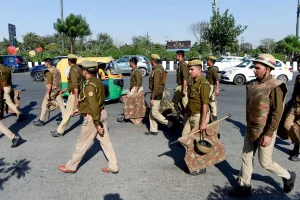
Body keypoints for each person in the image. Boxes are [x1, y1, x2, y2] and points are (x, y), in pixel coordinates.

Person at [229, 54, 296, 198]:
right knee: (246, 157)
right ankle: (244, 186)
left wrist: (269, 133)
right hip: (250, 128)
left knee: (265, 162)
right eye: (254, 67)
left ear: (268, 69)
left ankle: (288, 175)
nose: (254, 70)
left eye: (258, 68)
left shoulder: (275, 86)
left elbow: (277, 113)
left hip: (265, 130)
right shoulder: (251, 84)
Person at [57, 60, 118, 174]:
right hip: (101, 112)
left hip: (93, 117)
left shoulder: (89, 85)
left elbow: (93, 106)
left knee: (82, 143)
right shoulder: (98, 81)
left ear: (85, 71)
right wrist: (79, 110)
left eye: (82, 70)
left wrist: (97, 123)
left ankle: (71, 166)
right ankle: (113, 166)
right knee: (106, 142)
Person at [182, 59, 210, 175]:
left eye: (192, 69)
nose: (189, 71)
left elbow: (205, 104)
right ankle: (192, 160)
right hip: (191, 115)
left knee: (197, 143)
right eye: (189, 69)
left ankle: (200, 166)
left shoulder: (204, 83)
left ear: (199, 70)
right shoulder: (193, 82)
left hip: (199, 116)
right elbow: (191, 100)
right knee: (184, 138)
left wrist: (203, 122)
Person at [51, 54, 83, 137]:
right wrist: (66, 89)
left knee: (67, 112)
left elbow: (75, 85)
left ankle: (60, 131)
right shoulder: (78, 68)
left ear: (69, 61)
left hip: (74, 94)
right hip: (75, 92)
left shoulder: (73, 70)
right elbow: (74, 83)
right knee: (69, 112)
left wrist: (76, 98)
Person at [145, 54, 173, 135]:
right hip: (159, 92)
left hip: (157, 93)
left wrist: (153, 97)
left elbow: (156, 85)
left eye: (151, 59)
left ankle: (168, 123)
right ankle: (153, 130)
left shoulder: (157, 70)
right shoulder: (160, 68)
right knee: (152, 112)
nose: (150, 61)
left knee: (154, 112)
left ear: (153, 60)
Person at [33, 58, 65, 126]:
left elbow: (49, 83)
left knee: (44, 104)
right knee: (61, 104)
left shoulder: (48, 71)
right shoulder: (56, 69)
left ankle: (41, 120)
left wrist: (47, 93)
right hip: (58, 89)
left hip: (52, 90)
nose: (44, 64)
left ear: (47, 63)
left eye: (45, 63)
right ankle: (65, 118)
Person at [117, 57, 143, 123]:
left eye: (129, 62)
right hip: (133, 88)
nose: (129, 63)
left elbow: (138, 81)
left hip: (135, 88)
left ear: (132, 62)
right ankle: (127, 116)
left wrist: (135, 91)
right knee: (129, 102)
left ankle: (126, 117)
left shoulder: (136, 71)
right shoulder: (134, 70)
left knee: (128, 103)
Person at [284, 64, 300, 161]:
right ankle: (297, 145)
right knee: (287, 125)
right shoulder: (298, 77)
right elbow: (295, 92)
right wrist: (290, 103)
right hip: (295, 105)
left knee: (297, 128)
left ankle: (298, 152)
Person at [0, 57, 23, 121]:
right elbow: (10, 80)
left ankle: (18, 112)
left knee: (7, 102)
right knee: (8, 102)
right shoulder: (7, 69)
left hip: (2, 88)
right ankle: (18, 112)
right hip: (8, 87)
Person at [172, 50, 189, 116]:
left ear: (180, 56)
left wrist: (183, 90)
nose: (175, 57)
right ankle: (178, 117)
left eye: (176, 56)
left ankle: (188, 118)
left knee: (185, 104)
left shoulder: (183, 65)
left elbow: (185, 79)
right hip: (180, 86)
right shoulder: (180, 64)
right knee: (176, 102)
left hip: (182, 86)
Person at [206, 56, 220, 121]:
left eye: (207, 60)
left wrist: (217, 89)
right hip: (208, 86)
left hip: (211, 86)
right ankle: (209, 115)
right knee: (208, 100)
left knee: (212, 101)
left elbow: (217, 79)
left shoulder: (213, 69)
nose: (206, 61)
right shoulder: (209, 69)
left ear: (211, 62)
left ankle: (214, 116)